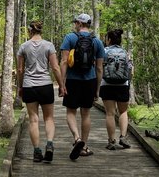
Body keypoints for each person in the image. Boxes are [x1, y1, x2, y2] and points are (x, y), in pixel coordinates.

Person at [17, 20, 66, 163]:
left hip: (29, 86)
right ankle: (49, 144)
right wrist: (62, 85)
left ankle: (37, 151)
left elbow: (20, 70)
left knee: (33, 120)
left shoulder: (23, 47)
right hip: (45, 85)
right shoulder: (48, 45)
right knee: (49, 118)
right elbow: (55, 67)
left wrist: (20, 87)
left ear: (29, 31)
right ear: (40, 31)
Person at [60, 13, 105, 160]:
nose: (75, 25)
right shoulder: (97, 42)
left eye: (76, 23)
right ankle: (84, 147)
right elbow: (99, 68)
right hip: (90, 80)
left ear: (80, 23)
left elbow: (64, 62)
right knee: (86, 113)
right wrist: (97, 88)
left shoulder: (70, 38)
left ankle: (77, 138)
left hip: (73, 81)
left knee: (71, 112)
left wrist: (62, 83)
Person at [100, 28, 133, 150]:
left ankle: (111, 141)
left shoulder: (103, 51)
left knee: (110, 113)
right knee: (123, 112)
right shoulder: (125, 52)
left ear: (109, 40)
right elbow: (130, 70)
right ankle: (123, 137)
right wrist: (127, 83)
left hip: (107, 84)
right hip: (122, 85)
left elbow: (98, 68)